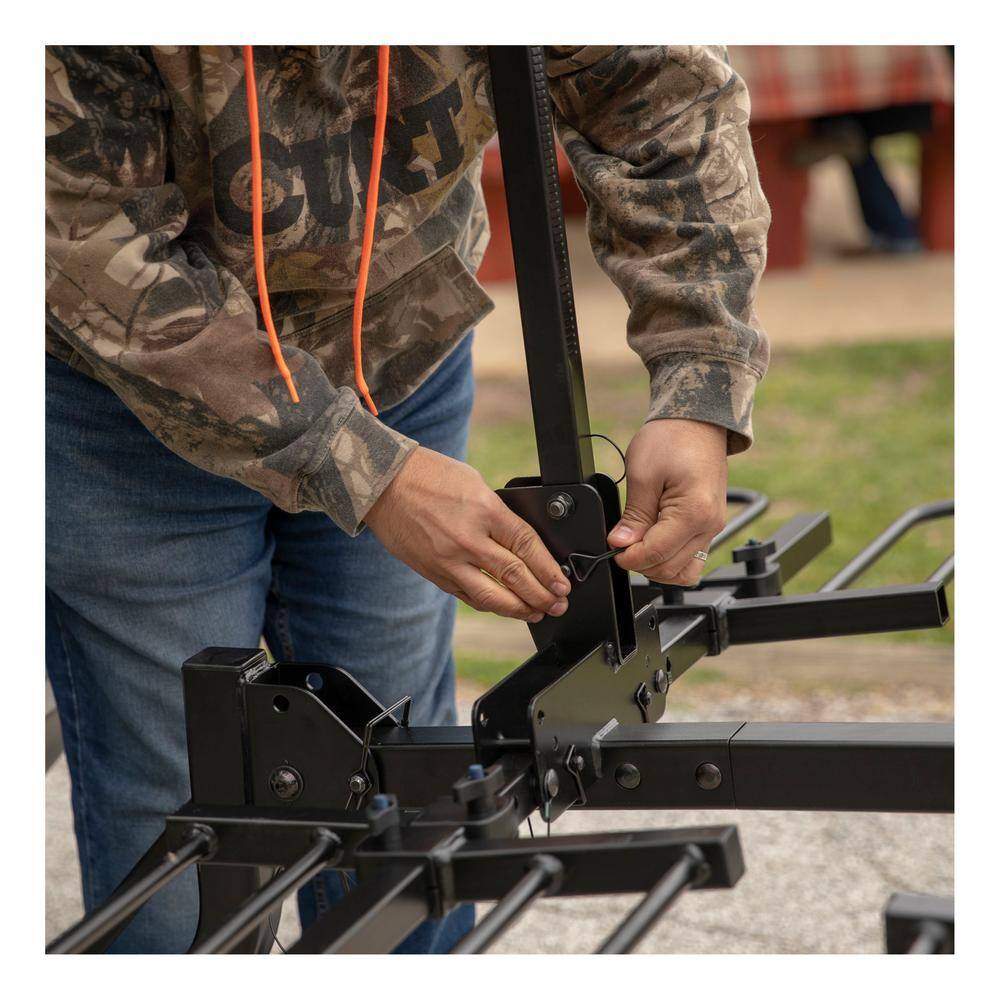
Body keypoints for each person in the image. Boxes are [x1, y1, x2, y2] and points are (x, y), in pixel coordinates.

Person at [45, 45, 770, 953]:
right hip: (125, 402)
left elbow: (664, 92)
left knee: (406, 783)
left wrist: (702, 378)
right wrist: (370, 473)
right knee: (179, 811)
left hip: (392, 350)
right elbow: (86, 241)